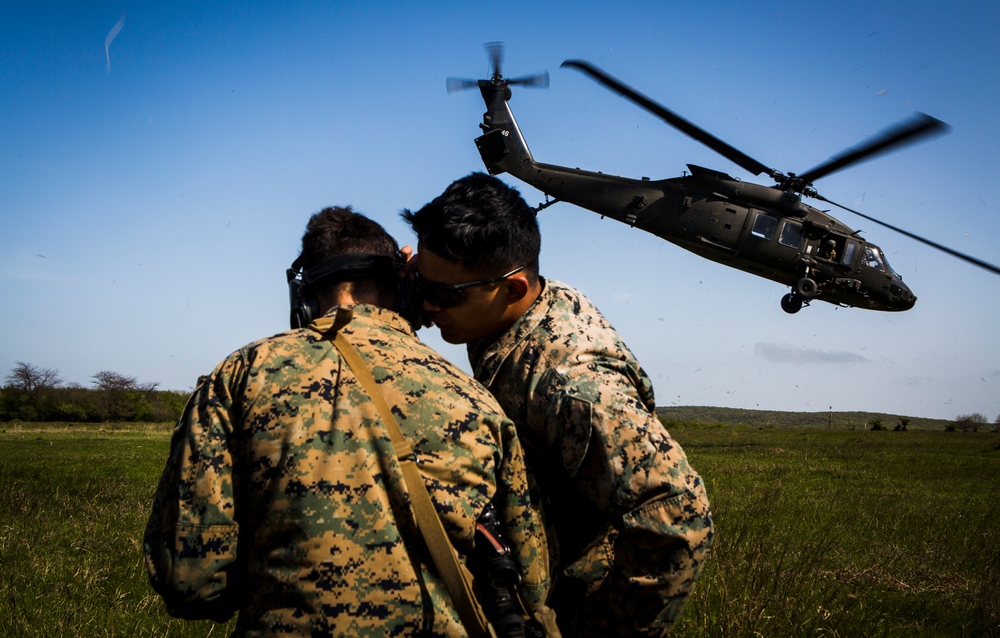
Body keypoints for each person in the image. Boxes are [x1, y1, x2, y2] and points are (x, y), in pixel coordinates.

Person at [143, 205, 550, 636]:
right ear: (404, 287)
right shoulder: (474, 398)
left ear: (302, 299)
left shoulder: (241, 376)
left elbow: (190, 582)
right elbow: (533, 583)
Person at [402, 173, 714, 638]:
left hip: (566, 599)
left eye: (444, 296)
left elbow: (677, 515)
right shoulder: (497, 307)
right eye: (419, 283)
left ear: (513, 290)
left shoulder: (573, 388)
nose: (426, 305)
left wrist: (598, 629)